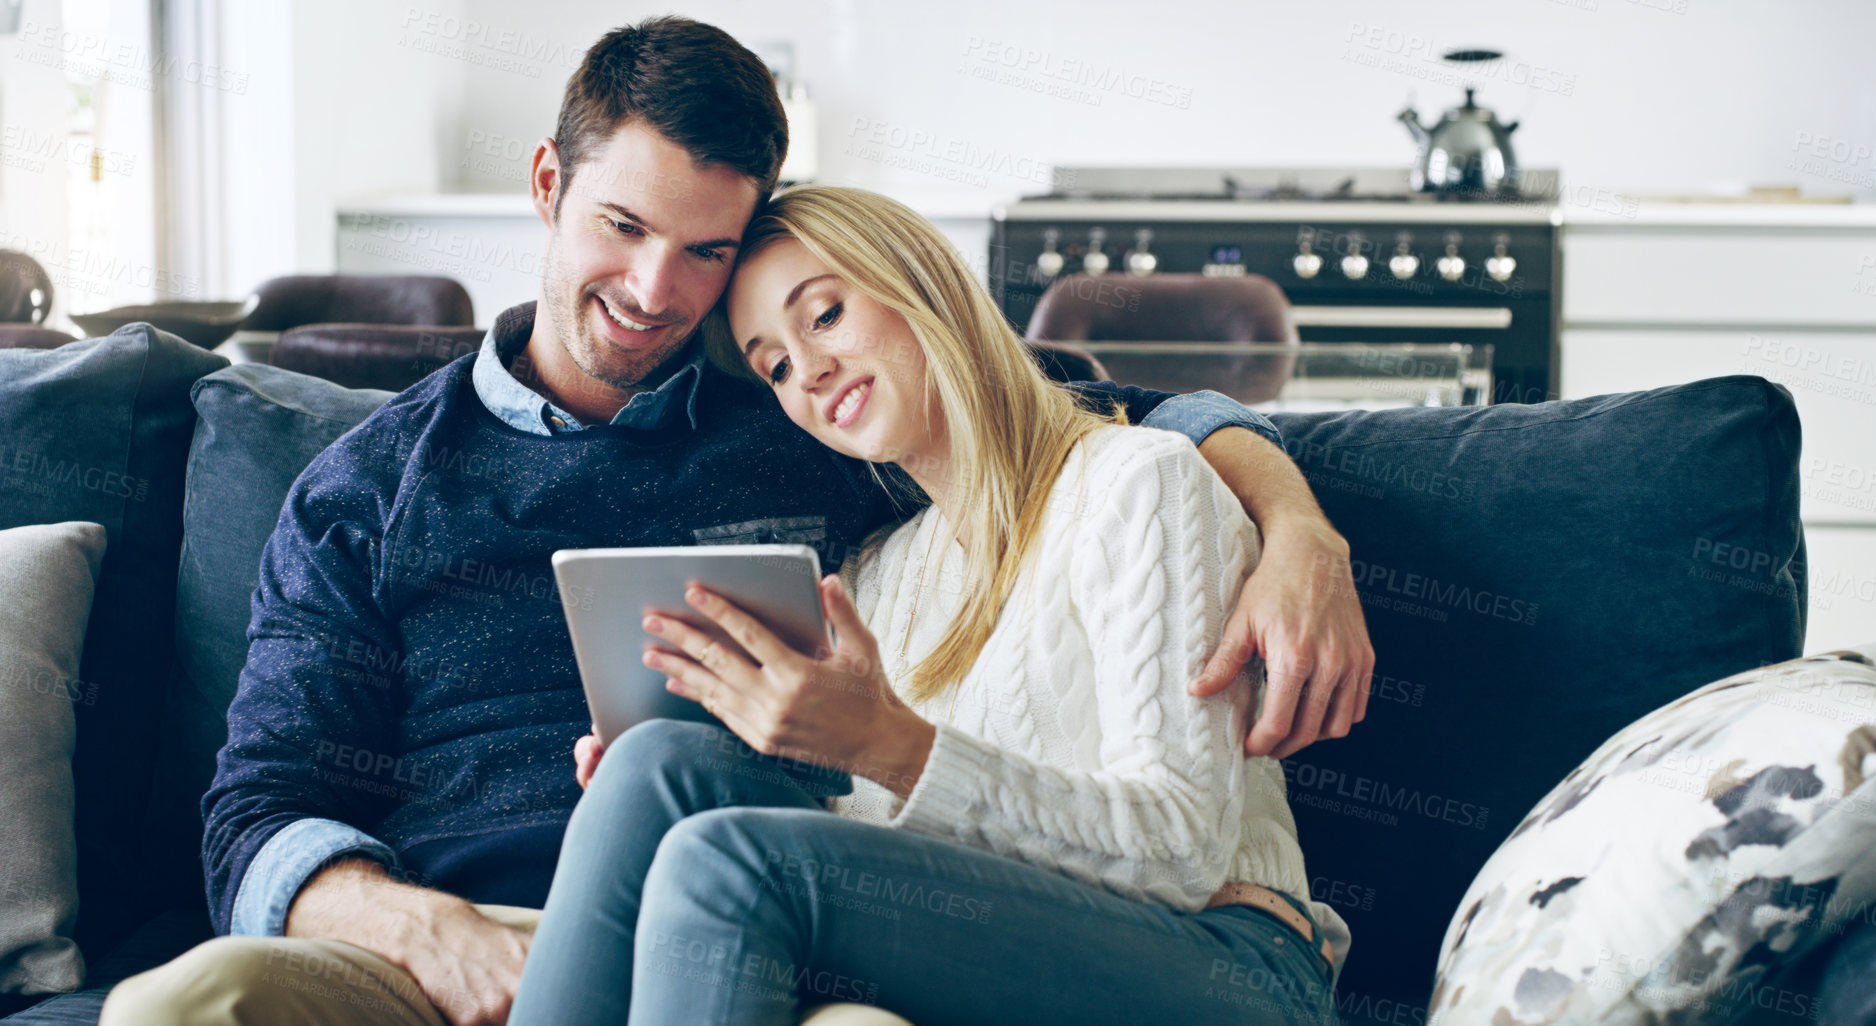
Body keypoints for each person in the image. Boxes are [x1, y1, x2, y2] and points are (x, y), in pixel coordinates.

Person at [101, 16, 1371, 1026]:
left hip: (747, 914)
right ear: (549, 184)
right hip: (438, 937)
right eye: (623, 225)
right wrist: (427, 929)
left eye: (707, 251)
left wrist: (1299, 526)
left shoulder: (817, 427)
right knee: (189, 1002)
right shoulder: (366, 485)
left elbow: (1085, 423)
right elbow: (254, 815)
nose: (657, 291)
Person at [506, 185, 1349, 1026]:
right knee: (656, 762)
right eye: (775, 366)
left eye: (825, 316)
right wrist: (774, 739)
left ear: (918, 282)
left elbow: (1181, 852)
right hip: (1017, 945)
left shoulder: (1140, 482)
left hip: (1229, 961)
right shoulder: (877, 573)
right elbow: (899, 851)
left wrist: (892, 746)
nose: (810, 372)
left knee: (731, 864)